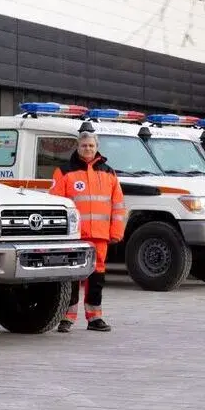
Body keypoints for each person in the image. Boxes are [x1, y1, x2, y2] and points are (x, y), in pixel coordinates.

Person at [50, 129, 124, 332]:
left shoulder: (109, 172)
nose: (88, 149)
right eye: (84, 145)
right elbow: (56, 205)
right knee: (72, 277)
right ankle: (67, 317)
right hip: (74, 236)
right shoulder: (64, 171)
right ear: (78, 147)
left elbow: (118, 205)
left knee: (97, 277)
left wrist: (116, 231)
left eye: (91, 145)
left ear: (97, 147)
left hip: (100, 236)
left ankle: (94, 317)